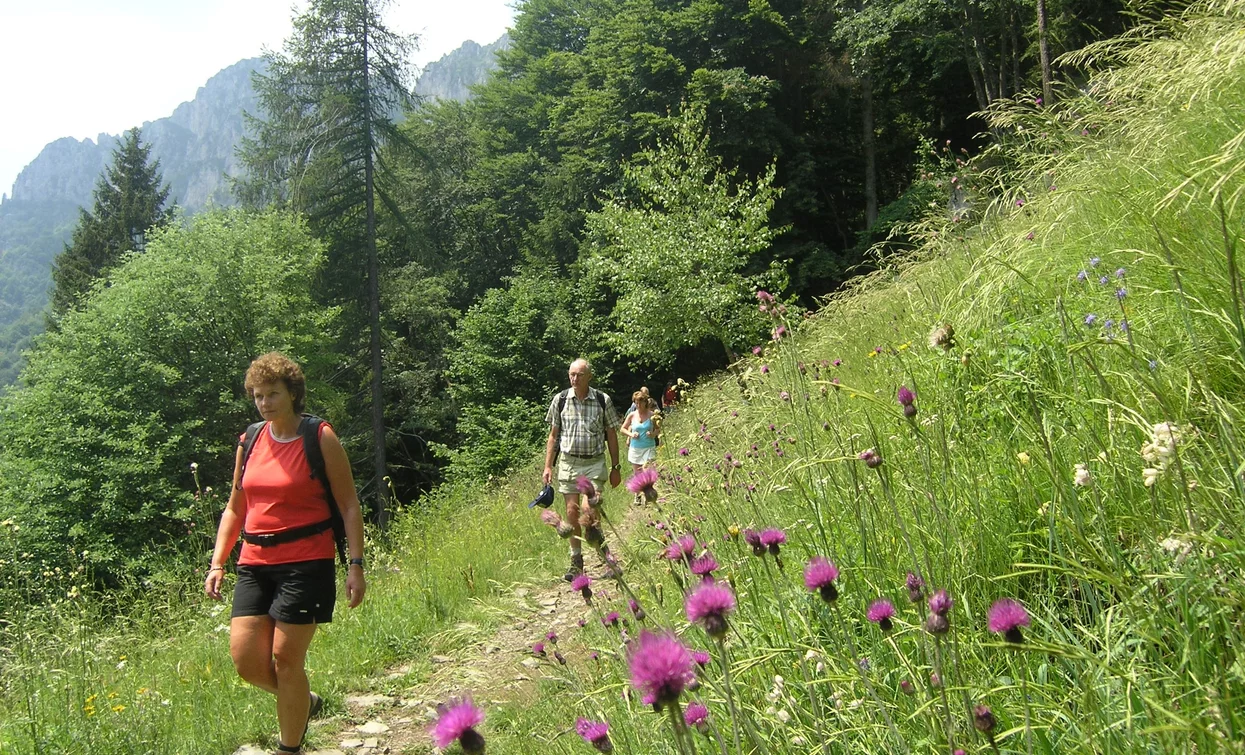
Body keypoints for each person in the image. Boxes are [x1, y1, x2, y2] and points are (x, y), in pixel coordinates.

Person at [205, 352, 367, 755]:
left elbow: (349, 505)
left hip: (306, 562)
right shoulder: (251, 439)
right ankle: (304, 702)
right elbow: (235, 507)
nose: (265, 403)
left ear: (292, 393)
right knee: (246, 661)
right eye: (258, 396)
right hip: (255, 563)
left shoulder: (319, 437)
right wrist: (217, 562)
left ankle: (288, 747)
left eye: (273, 393)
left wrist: (356, 565)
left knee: (285, 658)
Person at [542, 358, 622, 581]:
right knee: (572, 514)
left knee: (590, 511)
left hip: (594, 463)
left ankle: (606, 557)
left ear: (589, 376)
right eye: (571, 374)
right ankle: (577, 561)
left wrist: (616, 466)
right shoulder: (560, 400)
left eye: (579, 375)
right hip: (569, 463)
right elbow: (553, 436)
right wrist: (548, 466)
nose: (574, 379)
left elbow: (612, 435)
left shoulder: (601, 400)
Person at [620, 390, 660, 504]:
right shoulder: (632, 415)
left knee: (647, 472)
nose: (638, 405)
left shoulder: (652, 415)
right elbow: (622, 429)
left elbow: (658, 429)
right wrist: (631, 434)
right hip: (635, 448)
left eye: (640, 402)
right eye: (636, 403)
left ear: (645, 402)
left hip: (649, 447)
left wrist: (652, 434)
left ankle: (649, 496)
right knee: (637, 473)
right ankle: (637, 496)